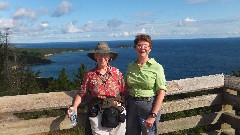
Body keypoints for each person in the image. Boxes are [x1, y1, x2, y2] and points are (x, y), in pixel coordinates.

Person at [68, 42, 126, 135]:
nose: (102, 57)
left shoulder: (117, 73)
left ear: (109, 56)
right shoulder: (89, 75)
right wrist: (74, 107)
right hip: (98, 112)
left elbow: (123, 91)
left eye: (105, 54)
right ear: (95, 56)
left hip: (117, 111)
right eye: (99, 54)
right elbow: (81, 94)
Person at [125, 34, 167, 135]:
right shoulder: (131, 66)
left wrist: (153, 115)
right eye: (139, 45)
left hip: (148, 106)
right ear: (135, 48)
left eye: (145, 45)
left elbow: (161, 92)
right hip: (131, 105)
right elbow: (125, 87)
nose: (142, 48)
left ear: (150, 49)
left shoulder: (157, 67)